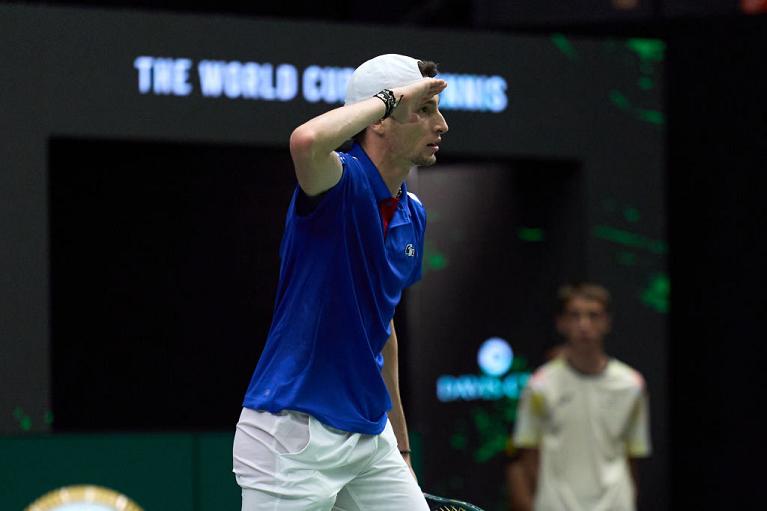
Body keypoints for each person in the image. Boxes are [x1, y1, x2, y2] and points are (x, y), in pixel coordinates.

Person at [232, 54, 449, 511]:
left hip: (370, 435)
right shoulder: (337, 183)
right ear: (382, 121)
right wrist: (391, 98)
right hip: (292, 436)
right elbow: (306, 140)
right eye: (425, 110)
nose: (442, 125)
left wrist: (403, 449)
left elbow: (381, 329)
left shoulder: (413, 214)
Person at [511, 283, 651, 511]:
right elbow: (528, 455)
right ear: (561, 323)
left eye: (593, 315)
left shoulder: (632, 385)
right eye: (574, 315)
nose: (584, 325)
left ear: (607, 322)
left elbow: (632, 456)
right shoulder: (540, 384)